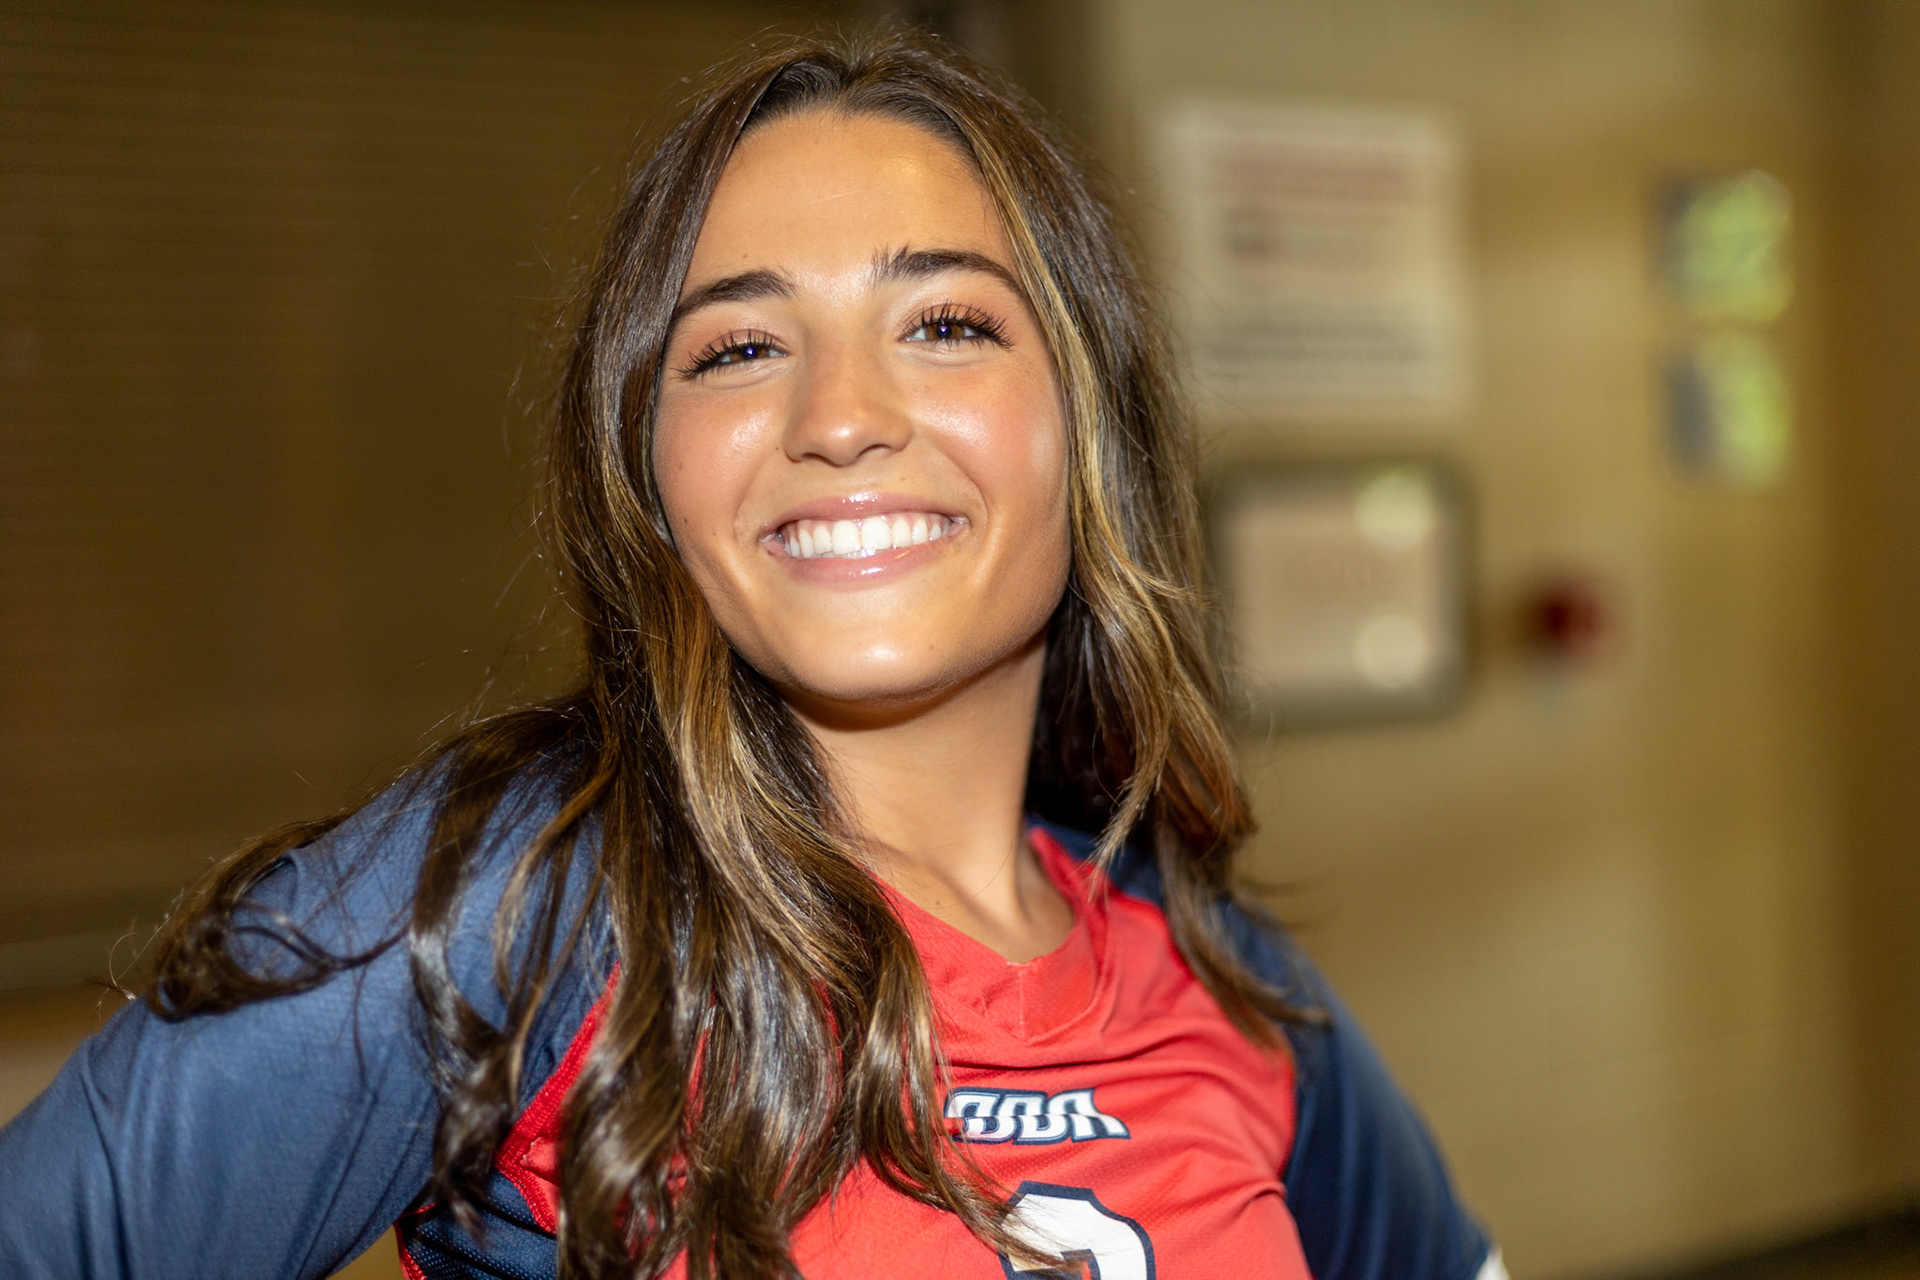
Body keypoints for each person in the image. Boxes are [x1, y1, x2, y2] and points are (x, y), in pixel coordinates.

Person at [0, 27, 1504, 1280]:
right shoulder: (519, 906)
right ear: (648, 471)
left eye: (948, 324)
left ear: (1086, 432)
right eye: (736, 348)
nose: (839, 415)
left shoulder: (1219, 974)